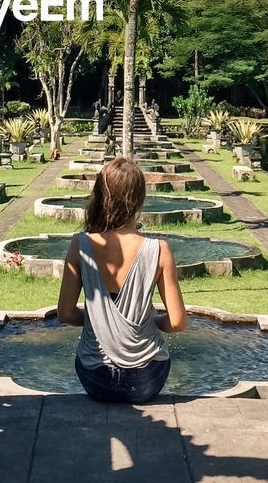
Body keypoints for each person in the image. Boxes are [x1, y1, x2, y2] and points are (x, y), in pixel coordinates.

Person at [55, 156, 188, 404]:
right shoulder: (159, 250)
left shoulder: (80, 245)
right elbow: (178, 322)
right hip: (147, 380)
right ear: (139, 198)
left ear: (100, 195)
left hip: (96, 380)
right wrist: (156, 319)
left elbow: (65, 314)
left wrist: (99, 322)